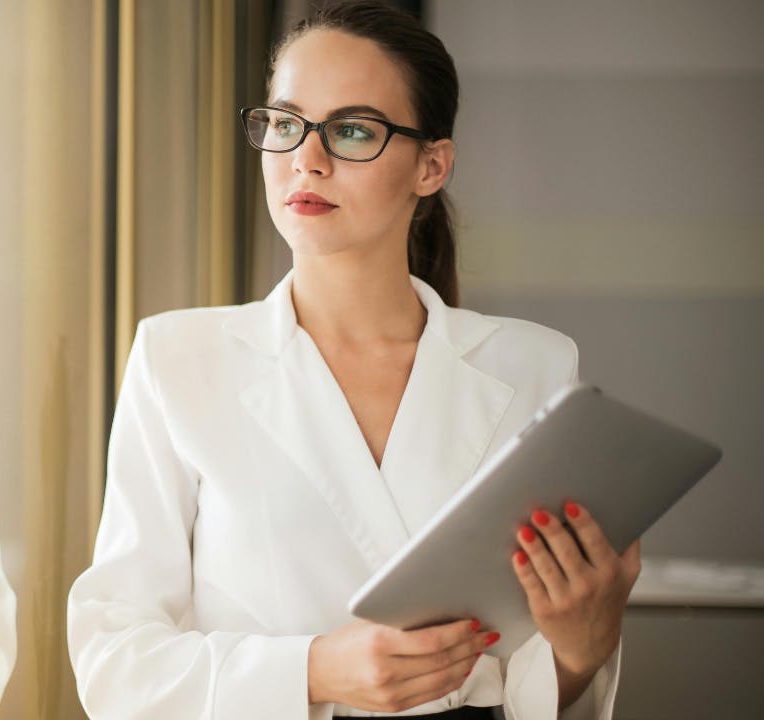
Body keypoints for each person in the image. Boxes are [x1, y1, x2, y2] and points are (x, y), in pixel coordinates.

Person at [66, 2, 640, 719]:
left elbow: (537, 668)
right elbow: (113, 660)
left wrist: (582, 646)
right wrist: (313, 672)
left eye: (353, 130)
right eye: (285, 123)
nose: (306, 158)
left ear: (431, 166)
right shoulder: (178, 358)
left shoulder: (534, 366)